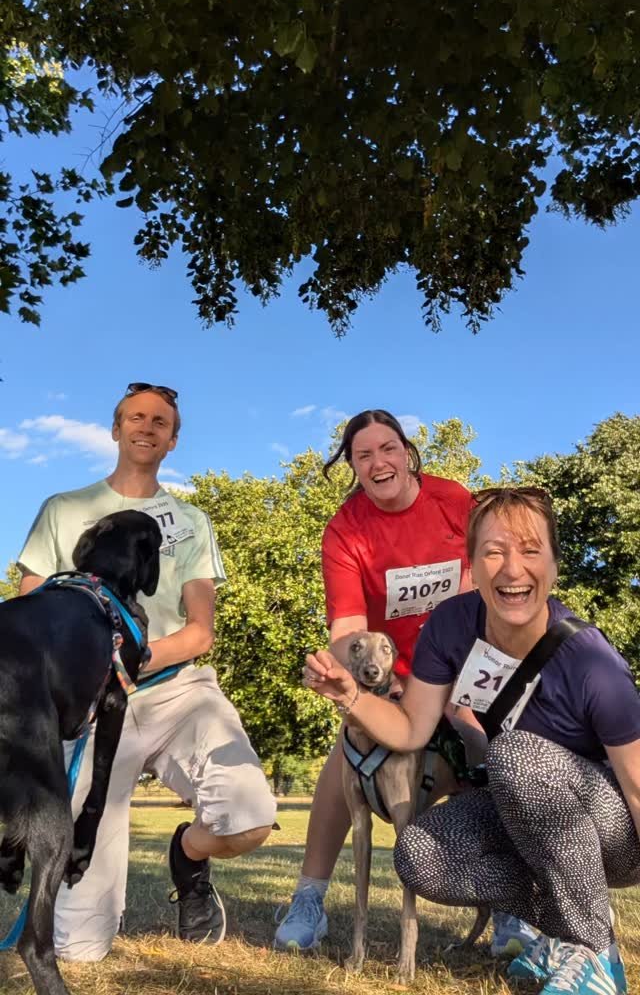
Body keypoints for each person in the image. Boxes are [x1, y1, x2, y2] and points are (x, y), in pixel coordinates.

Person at [303, 486, 640, 995]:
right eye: (494, 551)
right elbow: (411, 730)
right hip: (523, 813)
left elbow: (636, 786)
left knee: (515, 754)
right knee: (419, 853)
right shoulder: (452, 625)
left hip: (611, 832)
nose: (512, 569)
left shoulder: (592, 661)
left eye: (531, 550)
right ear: (472, 565)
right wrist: (350, 696)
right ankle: (555, 931)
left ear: (554, 565)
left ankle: (594, 952)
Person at [17, 382, 277, 962]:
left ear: (173, 440)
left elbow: (200, 631)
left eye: (161, 422)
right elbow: (32, 611)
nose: (147, 427)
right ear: (115, 429)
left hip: (177, 691)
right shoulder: (63, 509)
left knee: (249, 817)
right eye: (135, 417)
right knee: (78, 950)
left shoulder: (190, 521)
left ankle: (189, 854)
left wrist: (125, 657)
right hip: (90, 707)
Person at [274, 410, 533, 958]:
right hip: (392, 676)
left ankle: (512, 906)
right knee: (347, 757)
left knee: (487, 751)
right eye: (363, 454)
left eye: (387, 448)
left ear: (406, 452)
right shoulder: (346, 529)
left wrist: (460, 682)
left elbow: (484, 585)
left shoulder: (452, 501)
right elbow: (347, 629)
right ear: (351, 465)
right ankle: (309, 899)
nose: (378, 462)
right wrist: (358, 678)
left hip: (461, 663)